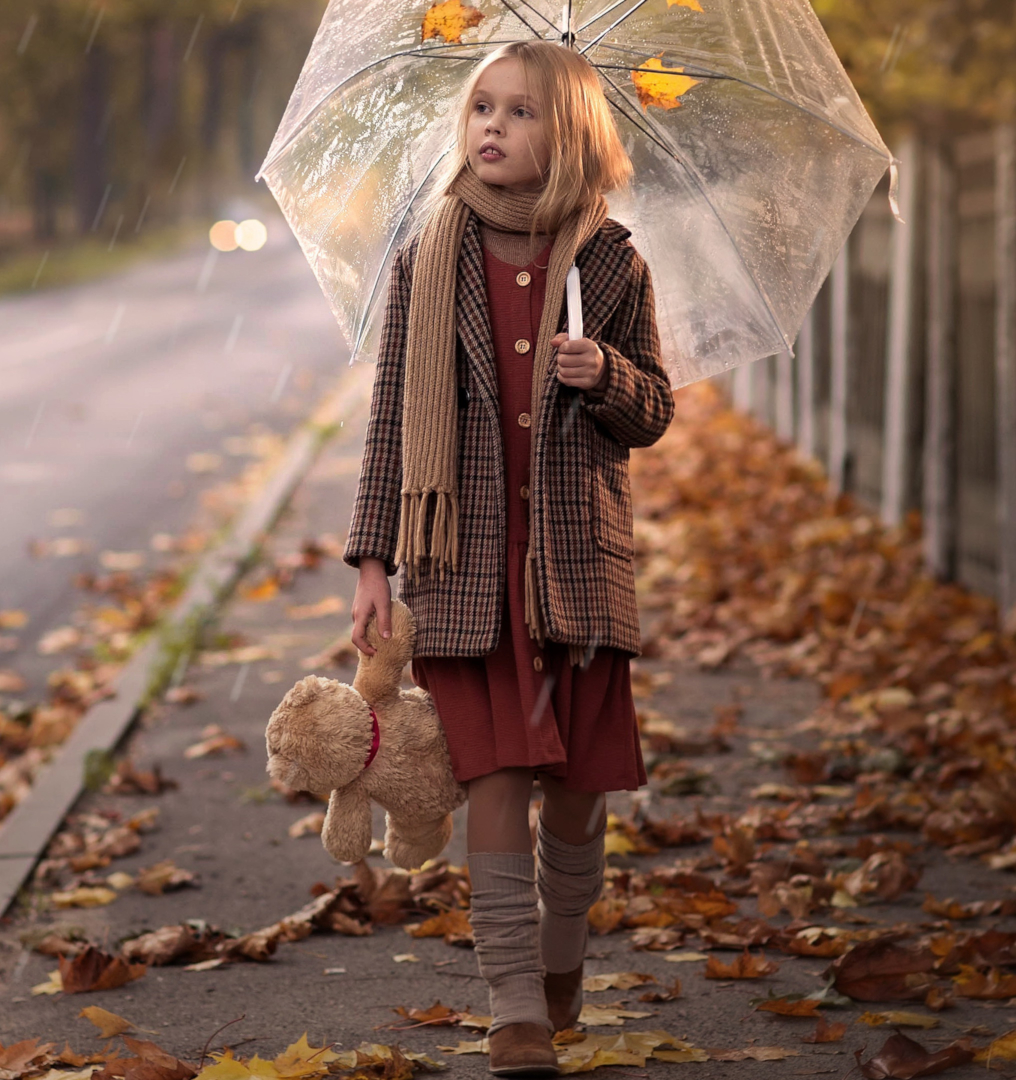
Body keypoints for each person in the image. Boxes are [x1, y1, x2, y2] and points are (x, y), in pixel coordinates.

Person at [341, 39, 674, 1078]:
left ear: (570, 137)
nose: (491, 127)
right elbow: (395, 415)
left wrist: (607, 372)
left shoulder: (611, 263)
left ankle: (563, 961)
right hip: (466, 575)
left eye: (521, 113)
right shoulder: (427, 259)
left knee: (577, 792)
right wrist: (371, 564)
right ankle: (513, 1001)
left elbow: (654, 409)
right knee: (493, 776)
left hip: (573, 573)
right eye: (481, 107)